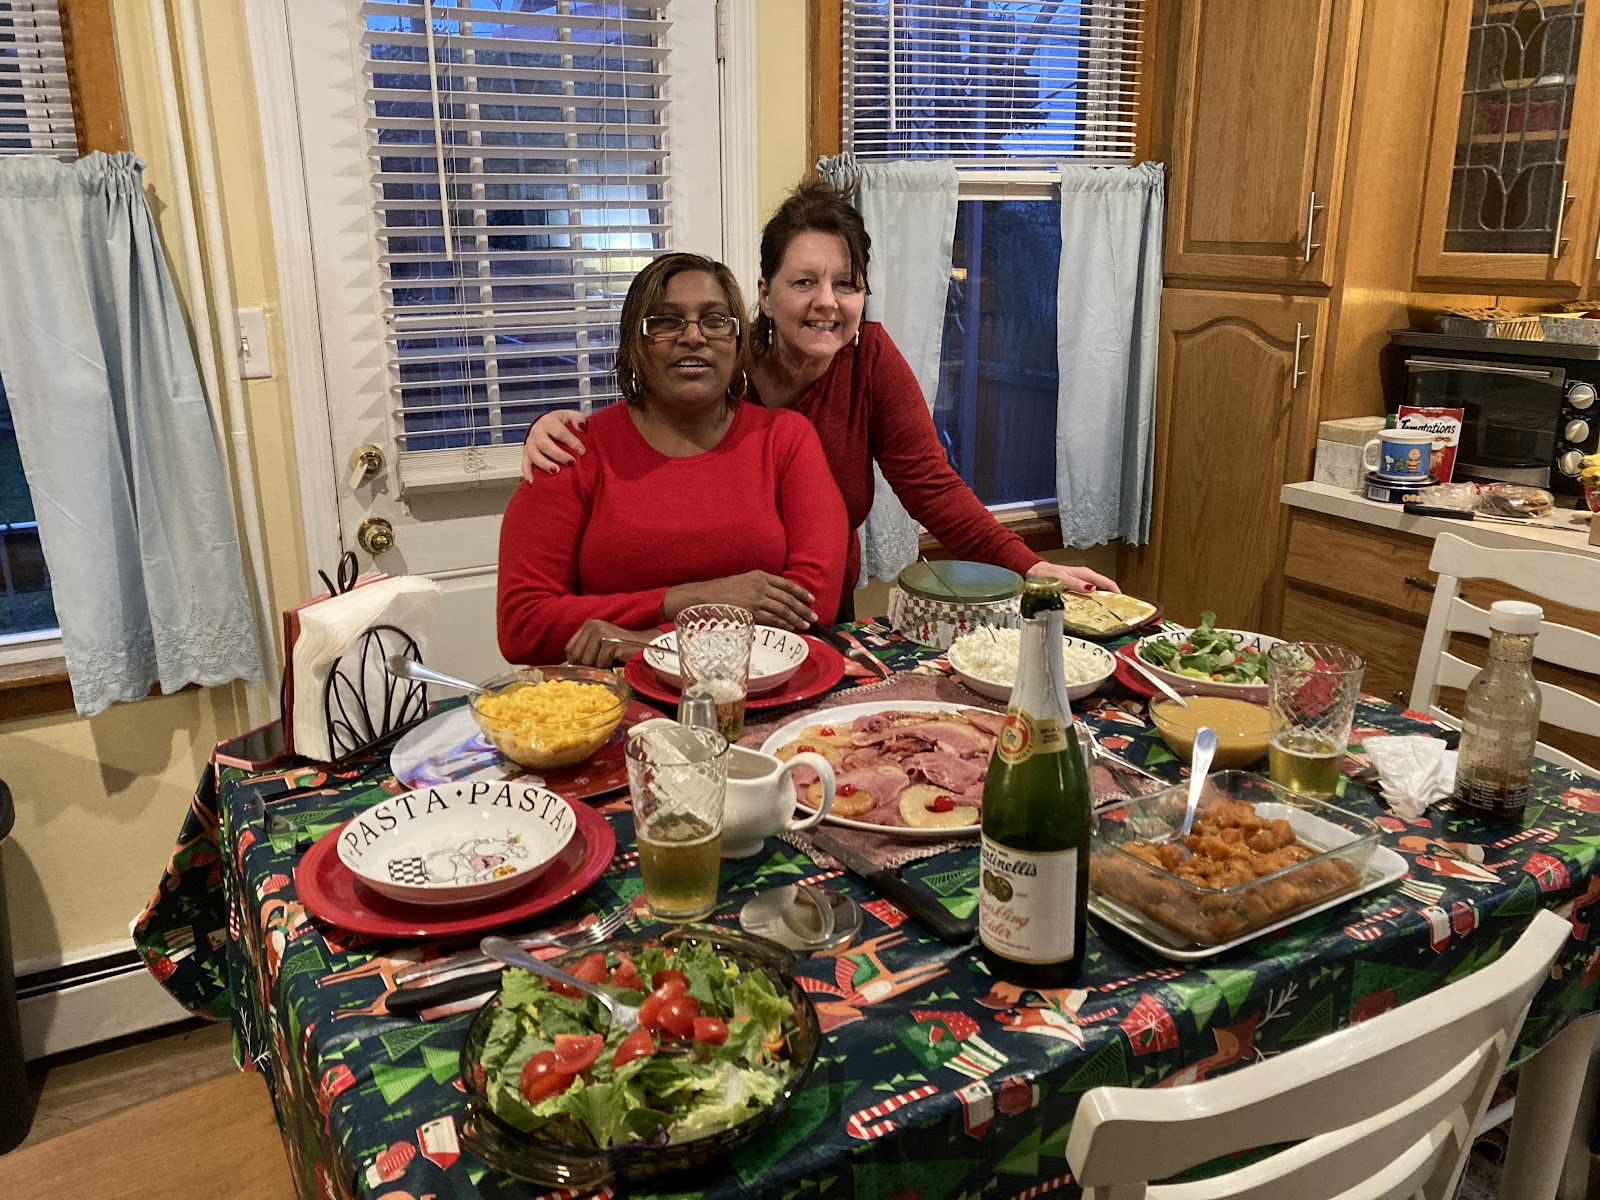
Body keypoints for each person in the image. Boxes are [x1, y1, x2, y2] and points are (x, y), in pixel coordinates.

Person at [522, 181, 1118, 615]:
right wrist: (556, 427)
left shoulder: (870, 360)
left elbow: (931, 486)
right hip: (712, 612)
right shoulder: (720, 362)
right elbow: (650, 424)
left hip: (820, 605)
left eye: (846, 283)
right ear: (765, 293)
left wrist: (1030, 565)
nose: (827, 301)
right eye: (804, 281)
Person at [497, 252, 847, 668]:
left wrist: (651, 641)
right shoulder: (570, 450)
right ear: (635, 340)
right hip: (614, 699)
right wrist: (690, 600)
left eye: (715, 320)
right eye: (666, 321)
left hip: (760, 689)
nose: (693, 336)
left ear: (738, 340)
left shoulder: (785, 440)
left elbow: (812, 603)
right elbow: (522, 624)